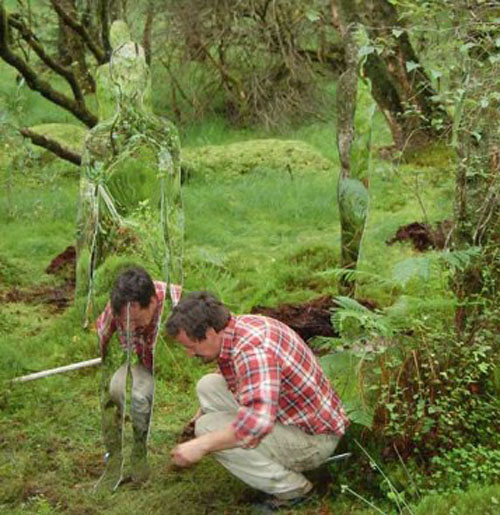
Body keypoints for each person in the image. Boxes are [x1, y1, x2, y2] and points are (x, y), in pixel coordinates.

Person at [166, 291, 349, 511]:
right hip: (296, 415)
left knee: (206, 429)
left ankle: (293, 490)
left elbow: (255, 425)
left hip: (314, 439)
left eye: (191, 346)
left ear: (210, 332)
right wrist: (200, 416)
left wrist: (201, 445)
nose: (188, 354)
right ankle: (267, 460)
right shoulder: (240, 327)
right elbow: (238, 377)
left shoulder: (253, 352)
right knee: (207, 386)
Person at [96, 266, 181, 484]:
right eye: (126, 323)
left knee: (141, 397)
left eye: (134, 321)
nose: (130, 327)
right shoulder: (119, 306)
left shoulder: (176, 303)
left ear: (152, 303)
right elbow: (101, 339)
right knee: (120, 389)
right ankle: (134, 445)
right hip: (142, 365)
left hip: (176, 371)